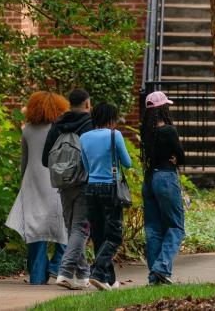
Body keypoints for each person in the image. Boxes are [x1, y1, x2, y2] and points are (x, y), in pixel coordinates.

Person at [6, 91, 70, 284]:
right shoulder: (61, 129)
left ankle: (37, 277)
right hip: (57, 181)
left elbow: (24, 162)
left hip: (33, 181)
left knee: (35, 230)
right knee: (64, 226)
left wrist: (24, 181)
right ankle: (56, 265)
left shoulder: (28, 130)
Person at [41, 88, 93, 290]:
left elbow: (45, 159)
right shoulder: (91, 125)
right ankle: (64, 272)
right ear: (87, 104)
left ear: (69, 104)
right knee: (80, 228)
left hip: (63, 184)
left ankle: (83, 274)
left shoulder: (57, 125)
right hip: (84, 182)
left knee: (73, 229)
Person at [79, 102, 131, 291]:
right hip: (110, 188)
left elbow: (86, 166)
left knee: (99, 235)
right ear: (112, 119)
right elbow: (127, 163)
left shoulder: (84, 137)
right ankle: (97, 272)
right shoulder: (114, 135)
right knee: (114, 236)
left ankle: (109, 280)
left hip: (91, 188)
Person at [140, 91, 187, 285]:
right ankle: (162, 266)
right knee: (176, 227)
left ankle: (155, 278)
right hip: (166, 179)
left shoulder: (146, 131)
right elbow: (181, 157)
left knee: (153, 229)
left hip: (149, 180)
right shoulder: (168, 130)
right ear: (163, 109)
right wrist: (176, 159)